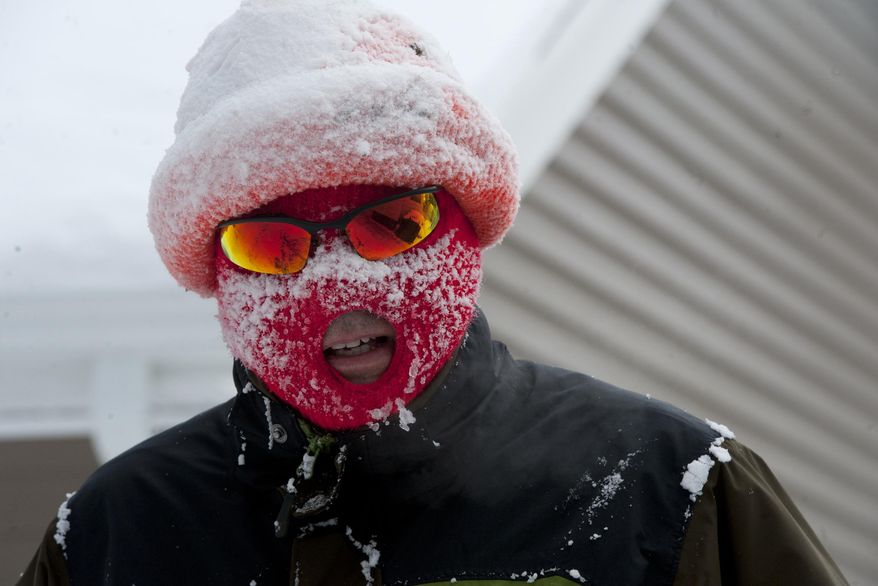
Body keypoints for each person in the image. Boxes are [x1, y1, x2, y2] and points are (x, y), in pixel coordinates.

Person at [20, 1, 848, 584]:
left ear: (462, 229)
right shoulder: (113, 534)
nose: (342, 277)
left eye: (392, 224)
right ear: (218, 272)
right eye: (272, 243)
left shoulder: (669, 489)